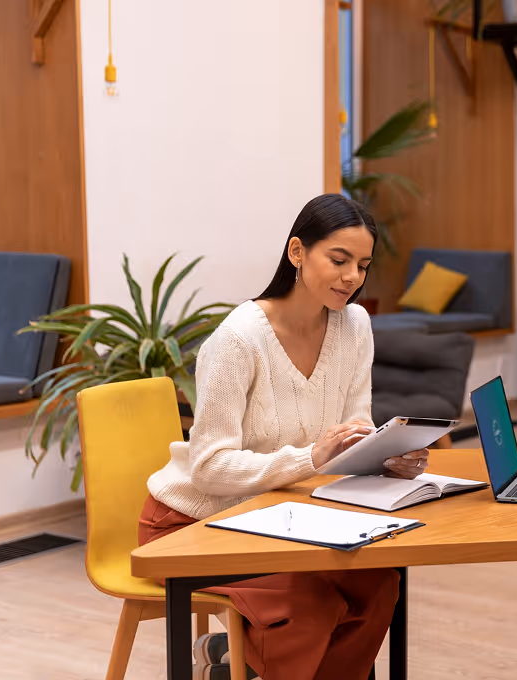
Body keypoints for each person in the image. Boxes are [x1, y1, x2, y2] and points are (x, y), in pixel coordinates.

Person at [137, 194, 429, 680]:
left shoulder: (354, 325)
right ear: (297, 252)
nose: (352, 277)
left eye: (362, 265)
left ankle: (235, 658)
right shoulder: (238, 340)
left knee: (378, 585)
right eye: (338, 260)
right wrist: (311, 457)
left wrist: (384, 456)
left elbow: (351, 433)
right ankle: (240, 656)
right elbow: (209, 468)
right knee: (307, 605)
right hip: (194, 521)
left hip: (286, 515)